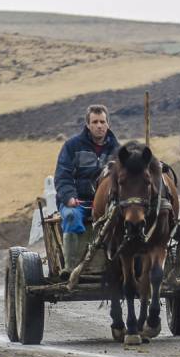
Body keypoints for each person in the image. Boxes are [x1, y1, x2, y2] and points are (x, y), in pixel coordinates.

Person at [54, 104, 119, 271]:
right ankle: (71, 268)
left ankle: (119, 265)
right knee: (70, 216)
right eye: (95, 122)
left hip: (107, 204)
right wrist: (69, 197)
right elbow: (63, 176)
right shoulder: (72, 146)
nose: (99, 125)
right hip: (78, 201)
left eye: (102, 122)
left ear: (108, 124)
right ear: (88, 125)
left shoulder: (117, 150)